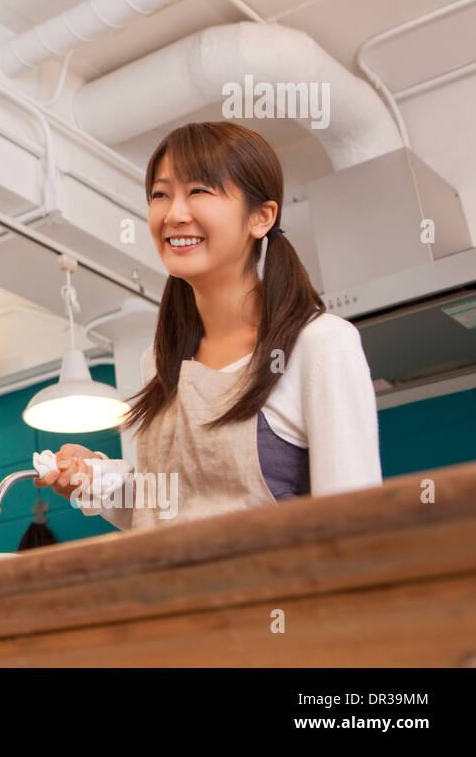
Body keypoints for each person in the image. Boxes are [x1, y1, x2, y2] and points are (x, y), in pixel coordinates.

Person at [35, 121, 381, 530]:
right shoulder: (161, 360)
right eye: (160, 195)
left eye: (199, 191)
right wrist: (96, 478)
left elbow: (355, 527)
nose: (174, 214)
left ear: (261, 217)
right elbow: (174, 510)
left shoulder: (321, 345)